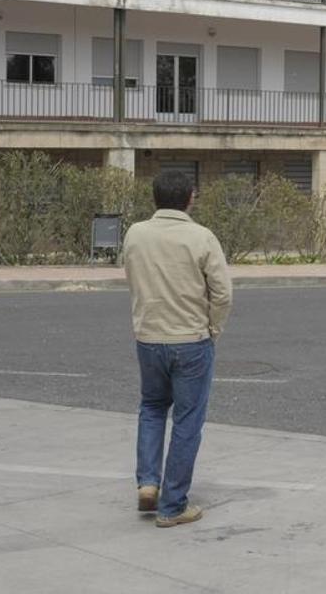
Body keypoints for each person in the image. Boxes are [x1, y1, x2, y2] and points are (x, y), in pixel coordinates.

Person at [122, 170, 232, 528]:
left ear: (155, 198)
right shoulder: (201, 237)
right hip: (191, 340)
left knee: (152, 408)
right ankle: (173, 505)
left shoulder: (135, 234)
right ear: (190, 198)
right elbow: (222, 293)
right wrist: (212, 328)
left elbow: (132, 278)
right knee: (187, 419)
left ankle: (148, 483)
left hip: (149, 338)